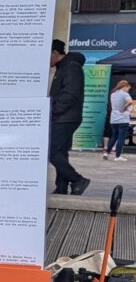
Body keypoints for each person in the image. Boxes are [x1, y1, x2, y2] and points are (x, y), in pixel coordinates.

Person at [49, 39, 90, 195]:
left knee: (52, 152)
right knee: (60, 152)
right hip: (64, 117)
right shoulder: (63, 67)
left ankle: (77, 179)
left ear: (55, 53)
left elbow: (70, 95)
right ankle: (61, 187)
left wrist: (52, 109)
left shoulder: (71, 68)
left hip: (65, 118)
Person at [105, 77, 134, 161]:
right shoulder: (124, 94)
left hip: (114, 118)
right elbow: (130, 102)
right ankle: (118, 156)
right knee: (121, 137)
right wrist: (124, 107)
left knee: (114, 136)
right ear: (125, 86)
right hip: (123, 118)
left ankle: (106, 152)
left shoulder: (113, 94)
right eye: (128, 88)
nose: (128, 90)